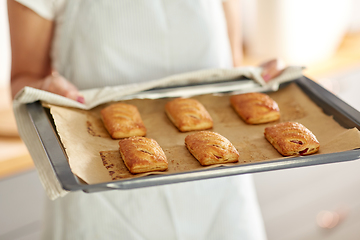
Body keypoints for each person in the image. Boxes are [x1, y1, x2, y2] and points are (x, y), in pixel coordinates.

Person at [8, 0, 284, 239]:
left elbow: (228, 67)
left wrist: (257, 82)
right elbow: (23, 79)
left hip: (220, 195)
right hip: (103, 201)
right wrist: (48, 89)